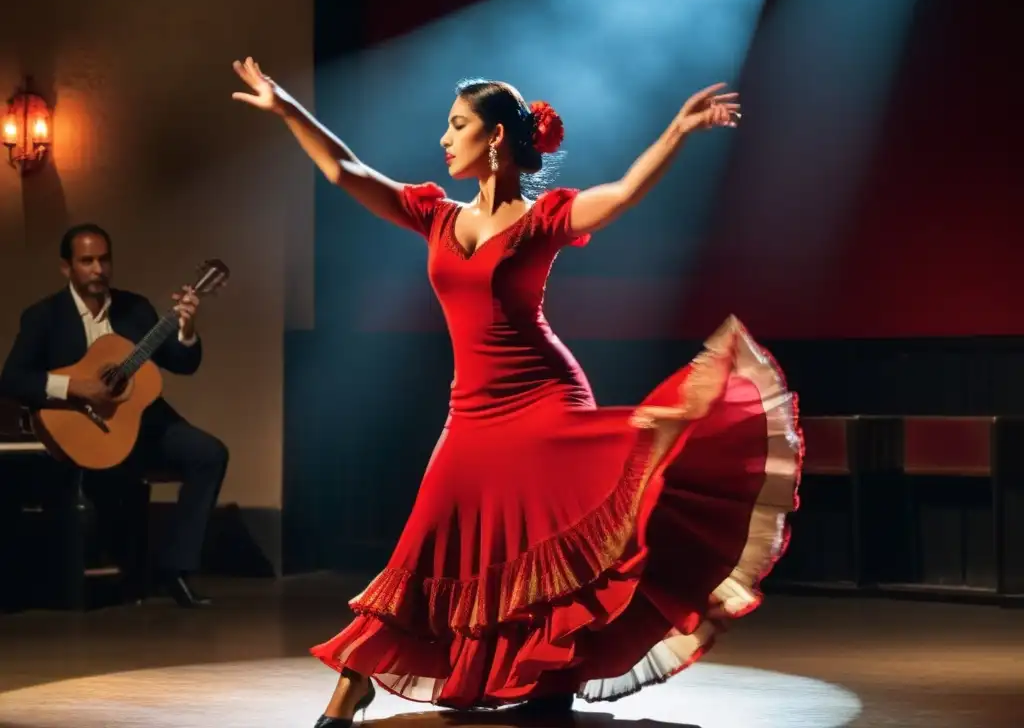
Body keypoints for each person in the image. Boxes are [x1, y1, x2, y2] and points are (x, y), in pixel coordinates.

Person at [232, 57, 801, 726]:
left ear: (495, 137)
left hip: (544, 402)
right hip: (470, 414)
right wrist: (287, 108)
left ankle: (550, 676)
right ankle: (353, 682)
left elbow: (618, 196)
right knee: (425, 546)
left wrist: (676, 131)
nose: (444, 140)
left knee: (555, 547)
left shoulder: (544, 219)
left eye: (457, 125)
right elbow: (345, 170)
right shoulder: (433, 215)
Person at [0, 224, 228, 609]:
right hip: (83, 432)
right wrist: (76, 388)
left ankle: (175, 569)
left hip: (142, 423)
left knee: (210, 453)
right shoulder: (44, 316)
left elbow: (182, 363)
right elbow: (13, 378)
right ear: (66, 268)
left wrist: (186, 329)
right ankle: (120, 574)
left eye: (103, 259)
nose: (98, 269)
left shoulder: (135, 309)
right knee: (108, 483)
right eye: (86, 261)